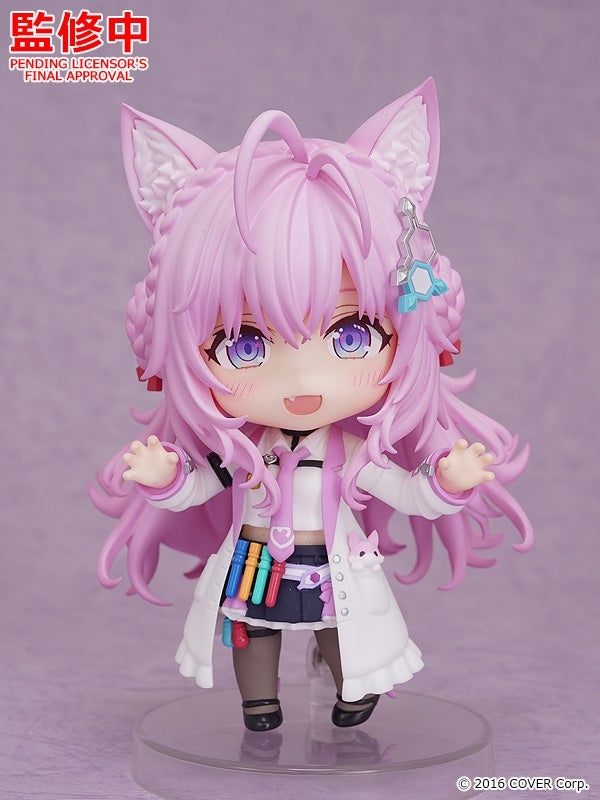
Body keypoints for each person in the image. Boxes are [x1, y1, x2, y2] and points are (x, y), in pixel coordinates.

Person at [92, 79, 532, 732]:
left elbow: (405, 491)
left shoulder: (349, 452)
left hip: (331, 561)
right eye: (243, 345)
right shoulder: (246, 452)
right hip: (254, 557)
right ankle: (259, 703)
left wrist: (446, 484)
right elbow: (203, 484)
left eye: (352, 337)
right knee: (250, 630)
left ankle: (353, 692)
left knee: (337, 627)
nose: (304, 379)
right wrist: (166, 479)